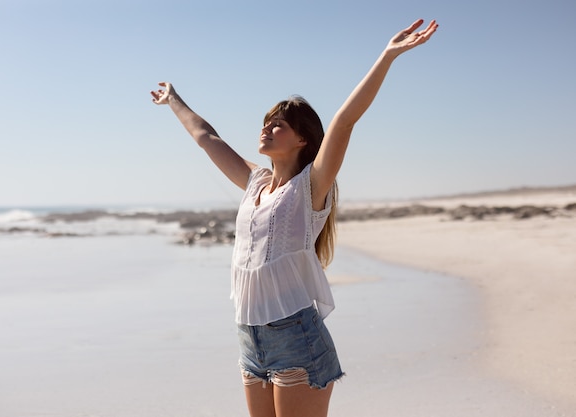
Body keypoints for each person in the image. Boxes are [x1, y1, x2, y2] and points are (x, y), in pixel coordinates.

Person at [151, 18, 438, 417]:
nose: (267, 127)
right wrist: (174, 99)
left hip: (295, 337)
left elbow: (345, 119)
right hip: (248, 338)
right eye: (266, 122)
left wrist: (387, 57)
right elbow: (207, 138)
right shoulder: (255, 182)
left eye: (278, 125)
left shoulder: (310, 187)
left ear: (302, 139)